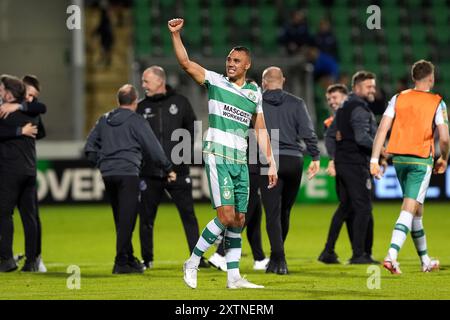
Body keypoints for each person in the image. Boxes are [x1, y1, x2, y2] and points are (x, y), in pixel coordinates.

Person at [168, 18, 278, 289]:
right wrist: (176, 35)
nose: (230, 64)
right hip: (218, 156)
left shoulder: (254, 93)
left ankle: (234, 277)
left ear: (247, 65)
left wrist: (271, 163)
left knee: (240, 219)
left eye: (236, 61)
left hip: (241, 160)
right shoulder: (215, 81)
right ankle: (192, 262)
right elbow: (186, 63)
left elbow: (261, 130)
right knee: (226, 216)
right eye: (229, 60)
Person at [85, 84, 176, 274]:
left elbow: (89, 147)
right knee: (128, 218)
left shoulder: (104, 119)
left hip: (108, 174)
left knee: (121, 217)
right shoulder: (137, 121)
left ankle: (128, 258)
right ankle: (120, 262)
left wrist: (101, 163)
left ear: (118, 101)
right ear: (135, 102)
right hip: (128, 173)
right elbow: (153, 147)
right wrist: (167, 167)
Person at [370, 60, 449, 274]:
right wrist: (444, 158)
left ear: (414, 78)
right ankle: (391, 256)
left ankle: (425, 260)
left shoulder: (398, 98)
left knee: (416, 210)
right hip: (420, 161)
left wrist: (374, 160)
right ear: (431, 79)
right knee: (408, 208)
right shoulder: (437, 102)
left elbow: (382, 129)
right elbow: (444, 138)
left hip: (400, 160)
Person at [137, 66, 208, 269]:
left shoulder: (180, 102)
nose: (143, 85)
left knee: (188, 216)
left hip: (178, 171)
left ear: (160, 81)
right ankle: (147, 260)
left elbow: (192, 130)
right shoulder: (140, 107)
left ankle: (197, 258)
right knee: (146, 218)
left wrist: (178, 163)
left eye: (146, 81)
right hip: (149, 173)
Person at [260, 67, 320, 274]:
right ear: (283, 80)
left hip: (268, 162)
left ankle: (278, 258)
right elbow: (308, 132)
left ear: (263, 82)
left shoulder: (256, 103)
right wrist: (316, 156)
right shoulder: (297, 103)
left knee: (272, 214)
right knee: (285, 211)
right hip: (293, 161)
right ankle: (277, 257)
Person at [208, 79, 270, 273]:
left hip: (250, 168)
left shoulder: (247, 117)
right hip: (247, 170)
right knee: (242, 215)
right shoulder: (245, 121)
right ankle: (219, 254)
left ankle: (259, 257)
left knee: (254, 214)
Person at [325, 71, 383, 264]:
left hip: (343, 163)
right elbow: (361, 137)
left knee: (347, 207)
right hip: (354, 164)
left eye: (373, 86)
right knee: (364, 207)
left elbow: (331, 134)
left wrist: (335, 157)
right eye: (369, 86)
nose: (373, 89)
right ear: (357, 87)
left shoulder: (344, 108)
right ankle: (360, 254)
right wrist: (380, 148)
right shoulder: (358, 108)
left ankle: (329, 251)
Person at [0, 75, 41, 272]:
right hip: (29, 170)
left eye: (1, 90)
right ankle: (32, 261)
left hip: (9, 170)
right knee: (30, 217)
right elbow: (40, 127)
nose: (0, 93)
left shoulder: (4, 112)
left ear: (8, 94)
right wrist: (21, 129)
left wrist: (15, 131)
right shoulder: (32, 112)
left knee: (4, 214)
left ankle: (6, 259)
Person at [319, 83, 355, 264]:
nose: (331, 102)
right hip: (345, 167)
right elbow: (331, 145)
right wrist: (333, 161)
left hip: (352, 166)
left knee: (349, 209)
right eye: (329, 99)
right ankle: (329, 250)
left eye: (334, 98)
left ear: (345, 97)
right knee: (346, 207)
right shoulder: (330, 122)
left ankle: (356, 251)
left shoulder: (350, 117)